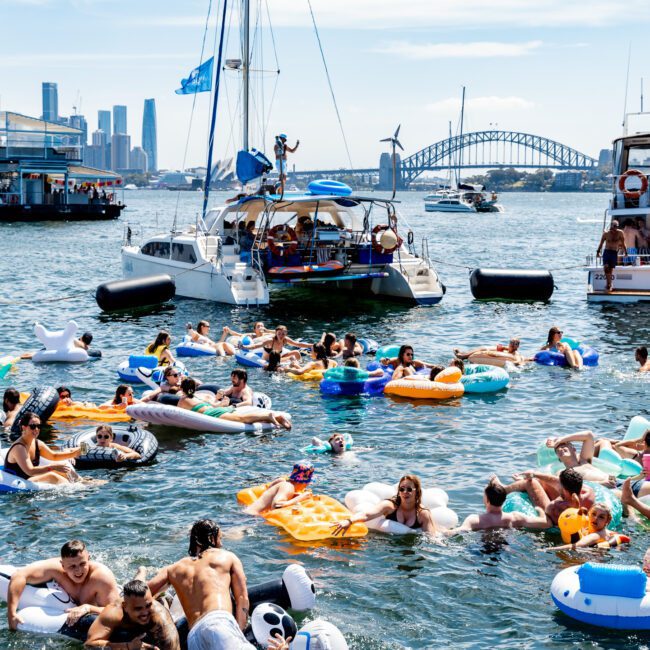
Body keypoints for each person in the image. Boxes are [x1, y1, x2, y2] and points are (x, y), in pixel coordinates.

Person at [144, 519, 255, 650]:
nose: (222, 543)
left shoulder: (174, 568)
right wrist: (239, 631)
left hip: (194, 637)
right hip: (218, 622)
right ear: (211, 538)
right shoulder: (227, 557)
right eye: (220, 538)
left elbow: (142, 592)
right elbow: (242, 598)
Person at [7, 539, 120, 631]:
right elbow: (19, 575)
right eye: (72, 566)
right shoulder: (55, 568)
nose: (78, 571)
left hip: (99, 607)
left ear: (88, 559)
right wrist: (11, 613)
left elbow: (117, 611)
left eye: (82, 564)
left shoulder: (101, 577)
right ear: (63, 565)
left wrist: (88, 608)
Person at [85, 579, 180, 649]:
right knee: (137, 582)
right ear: (125, 606)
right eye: (138, 609)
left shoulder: (160, 617)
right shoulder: (113, 612)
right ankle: (141, 572)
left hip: (161, 603)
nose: (145, 613)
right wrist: (127, 647)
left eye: (148, 606)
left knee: (157, 596)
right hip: (128, 612)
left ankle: (163, 595)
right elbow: (89, 645)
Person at [332, 474, 440, 536]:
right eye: (402, 489)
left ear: (417, 491)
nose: (405, 492)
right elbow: (367, 514)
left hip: (419, 536)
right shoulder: (390, 506)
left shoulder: (422, 514)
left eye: (409, 489)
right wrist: (349, 521)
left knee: (443, 532)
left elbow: (431, 537)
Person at [3, 411, 86, 485]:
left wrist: (75, 453)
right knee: (52, 476)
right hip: (20, 479)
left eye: (39, 426)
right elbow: (30, 471)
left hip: (30, 477)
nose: (36, 429)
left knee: (64, 467)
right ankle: (75, 490)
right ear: (23, 427)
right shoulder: (19, 447)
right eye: (32, 426)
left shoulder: (37, 443)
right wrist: (52, 468)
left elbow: (54, 456)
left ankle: (83, 482)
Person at [497, 467, 596, 527]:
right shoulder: (586, 492)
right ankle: (520, 481)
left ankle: (503, 490)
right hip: (567, 500)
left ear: (564, 490)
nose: (557, 483)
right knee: (543, 482)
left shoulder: (563, 507)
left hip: (550, 518)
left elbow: (549, 511)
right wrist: (534, 474)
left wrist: (533, 478)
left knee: (530, 483)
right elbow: (555, 481)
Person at [178, 378, 291, 429]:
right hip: (218, 409)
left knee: (242, 419)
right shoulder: (199, 396)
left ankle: (267, 416)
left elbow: (178, 414)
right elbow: (214, 403)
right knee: (241, 417)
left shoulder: (182, 400)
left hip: (212, 413)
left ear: (182, 389)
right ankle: (277, 417)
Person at [445, 477, 548, 534]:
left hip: (482, 549)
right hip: (507, 547)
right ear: (504, 499)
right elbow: (545, 524)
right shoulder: (515, 517)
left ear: (487, 500)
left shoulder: (474, 520)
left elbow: (454, 533)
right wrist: (540, 511)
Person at [543, 503, 625, 551]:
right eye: (593, 514)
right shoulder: (588, 525)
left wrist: (549, 549)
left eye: (601, 517)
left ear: (607, 521)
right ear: (588, 514)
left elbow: (577, 546)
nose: (595, 518)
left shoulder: (596, 535)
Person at [244, 462, 315, 515]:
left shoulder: (284, 483)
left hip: (248, 515)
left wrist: (293, 497)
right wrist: (300, 498)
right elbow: (276, 506)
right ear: (306, 481)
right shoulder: (288, 487)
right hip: (250, 517)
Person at [244, 325, 311, 363]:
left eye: (283, 334)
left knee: (296, 352)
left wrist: (312, 345)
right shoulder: (270, 341)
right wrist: (244, 347)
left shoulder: (285, 339)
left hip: (279, 358)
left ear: (286, 334)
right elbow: (256, 346)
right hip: (268, 361)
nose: (281, 336)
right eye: (279, 334)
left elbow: (297, 344)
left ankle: (301, 365)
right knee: (291, 358)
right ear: (276, 333)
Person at [596, 220, 627, 291]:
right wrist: (598, 252)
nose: (615, 228)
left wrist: (626, 252)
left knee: (611, 269)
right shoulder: (606, 234)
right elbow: (601, 243)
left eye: (616, 227)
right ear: (611, 226)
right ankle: (609, 284)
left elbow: (623, 243)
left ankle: (609, 284)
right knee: (606, 267)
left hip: (614, 252)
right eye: (614, 226)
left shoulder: (620, 233)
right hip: (607, 252)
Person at [453, 338, 525, 365]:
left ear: (517, 346)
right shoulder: (507, 349)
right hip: (498, 357)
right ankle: (464, 355)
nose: (512, 344)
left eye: (515, 343)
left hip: (503, 361)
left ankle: (463, 357)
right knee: (483, 348)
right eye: (511, 342)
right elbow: (500, 347)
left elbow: (518, 361)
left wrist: (509, 363)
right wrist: (501, 348)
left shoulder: (516, 354)